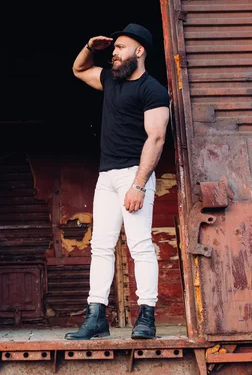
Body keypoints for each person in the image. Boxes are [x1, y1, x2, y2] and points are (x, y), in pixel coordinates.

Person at [64, 23, 170, 340]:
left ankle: (146, 318)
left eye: (120, 48)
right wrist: (89, 46)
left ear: (139, 51)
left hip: (133, 175)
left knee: (140, 247)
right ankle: (96, 317)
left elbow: (157, 137)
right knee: (101, 247)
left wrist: (138, 184)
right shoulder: (111, 80)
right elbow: (79, 70)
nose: (114, 53)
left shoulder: (153, 90)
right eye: (113, 49)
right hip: (106, 177)